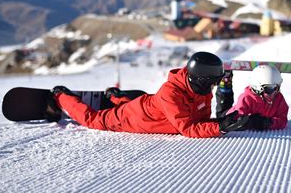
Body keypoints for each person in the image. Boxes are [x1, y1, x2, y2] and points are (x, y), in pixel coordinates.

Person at [51, 51, 249, 138]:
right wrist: (220, 128)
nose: (215, 87)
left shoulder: (201, 90)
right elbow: (188, 129)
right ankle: (62, 97)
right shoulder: (170, 94)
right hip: (133, 119)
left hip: (150, 107)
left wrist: (223, 121)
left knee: (132, 104)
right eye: (214, 82)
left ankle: (116, 96)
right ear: (202, 80)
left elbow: (201, 120)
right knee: (93, 119)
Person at [216, 64, 289, 131]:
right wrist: (250, 121)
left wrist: (267, 122)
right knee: (224, 104)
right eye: (269, 88)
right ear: (258, 89)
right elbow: (236, 121)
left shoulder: (278, 98)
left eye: (277, 87)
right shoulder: (246, 98)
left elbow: (282, 120)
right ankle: (225, 79)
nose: (274, 92)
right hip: (226, 116)